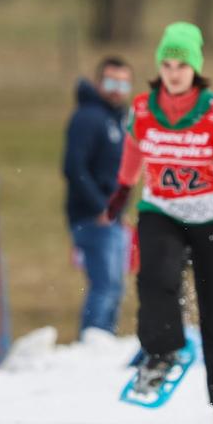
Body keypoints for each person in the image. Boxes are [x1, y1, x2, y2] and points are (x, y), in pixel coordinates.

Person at [105, 22, 213, 424]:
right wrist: (123, 188)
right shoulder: (142, 108)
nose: (173, 72)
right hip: (162, 209)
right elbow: (133, 147)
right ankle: (163, 352)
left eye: (181, 64)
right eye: (167, 63)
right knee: (155, 278)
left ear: (195, 68)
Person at [63, 56, 133, 340]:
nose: (116, 89)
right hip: (94, 218)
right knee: (105, 285)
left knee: (116, 286)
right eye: (110, 81)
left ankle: (103, 339)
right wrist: (99, 207)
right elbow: (73, 166)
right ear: (97, 82)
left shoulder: (116, 118)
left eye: (123, 83)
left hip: (113, 217)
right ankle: (92, 341)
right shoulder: (89, 117)